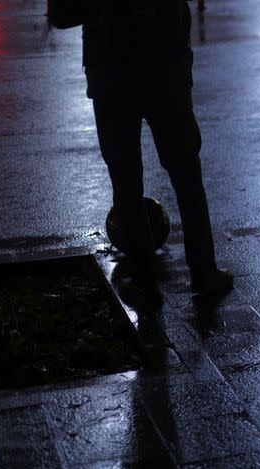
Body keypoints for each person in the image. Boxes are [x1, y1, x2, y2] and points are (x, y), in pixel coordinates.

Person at [47, 0, 232, 295]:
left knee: (126, 180)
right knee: (185, 174)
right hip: (164, 70)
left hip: (112, 75)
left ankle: (145, 280)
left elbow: (61, 14)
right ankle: (203, 271)